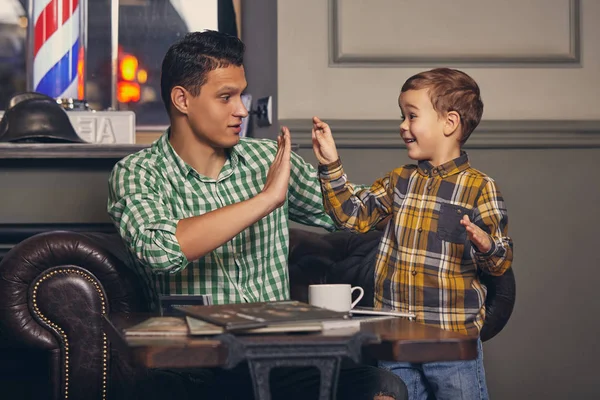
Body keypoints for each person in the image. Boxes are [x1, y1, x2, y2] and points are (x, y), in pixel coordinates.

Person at [107, 30, 407, 400]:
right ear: (182, 99)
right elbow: (161, 250)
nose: (242, 110)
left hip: (283, 360)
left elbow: (352, 216)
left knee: (382, 387)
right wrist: (266, 200)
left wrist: (434, 191)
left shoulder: (266, 159)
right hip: (196, 370)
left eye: (241, 94)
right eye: (225, 97)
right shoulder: (138, 173)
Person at [311, 68, 514, 400]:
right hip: (397, 337)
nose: (402, 125)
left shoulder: (480, 188)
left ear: (449, 123)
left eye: (412, 116)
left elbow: (500, 262)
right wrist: (331, 166)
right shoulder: (398, 181)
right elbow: (354, 217)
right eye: (402, 116)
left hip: (451, 340)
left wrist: (487, 245)